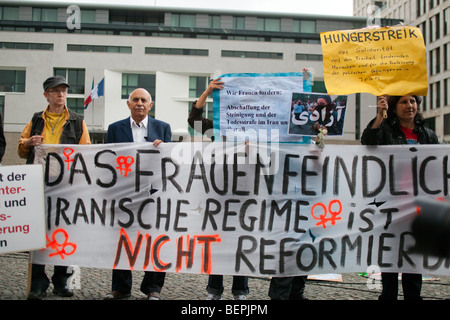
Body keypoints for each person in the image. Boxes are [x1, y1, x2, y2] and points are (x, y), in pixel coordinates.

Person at [17, 75, 91, 300]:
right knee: (37, 235)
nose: (60, 94)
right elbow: (21, 148)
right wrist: (29, 143)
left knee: (65, 233)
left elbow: (86, 151)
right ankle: (38, 283)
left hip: (65, 187)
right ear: (46, 95)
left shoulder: (78, 121)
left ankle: (62, 281)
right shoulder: (36, 120)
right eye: (55, 91)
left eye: (63, 91)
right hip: (37, 184)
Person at [361, 94, 438, 300]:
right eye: (403, 102)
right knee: (391, 250)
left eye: (412, 101)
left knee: (414, 251)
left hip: (418, 203)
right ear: (394, 109)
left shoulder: (428, 135)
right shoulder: (386, 130)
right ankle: (389, 295)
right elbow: (368, 141)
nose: (409, 105)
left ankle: (413, 296)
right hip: (392, 201)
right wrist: (379, 115)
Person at [104, 88, 171, 300]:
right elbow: (107, 160)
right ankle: (121, 288)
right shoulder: (115, 129)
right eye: (135, 100)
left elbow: (169, 162)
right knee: (123, 239)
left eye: (144, 100)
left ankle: (153, 288)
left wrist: (165, 148)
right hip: (124, 194)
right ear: (128, 104)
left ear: (151, 105)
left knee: (156, 239)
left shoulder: (163, 128)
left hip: (153, 194)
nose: (139, 103)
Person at [188, 78, 249, 300]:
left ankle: (240, 290)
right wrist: (207, 91)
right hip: (218, 196)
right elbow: (193, 118)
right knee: (217, 243)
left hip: (244, 197)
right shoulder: (215, 129)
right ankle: (214, 290)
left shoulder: (255, 131)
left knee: (240, 244)